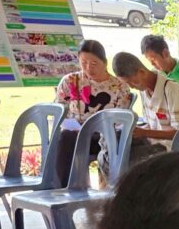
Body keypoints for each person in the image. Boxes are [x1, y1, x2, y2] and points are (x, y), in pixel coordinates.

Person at [53, 39, 131, 186]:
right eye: (84, 63)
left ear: (104, 63)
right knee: (65, 137)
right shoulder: (70, 81)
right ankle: (67, 188)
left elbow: (122, 118)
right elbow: (59, 111)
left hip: (105, 136)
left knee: (114, 140)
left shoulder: (119, 86)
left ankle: (113, 188)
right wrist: (72, 125)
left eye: (94, 63)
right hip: (76, 134)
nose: (88, 68)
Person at [112, 52, 179, 164]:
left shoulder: (172, 90)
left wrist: (144, 132)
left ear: (142, 72)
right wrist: (134, 130)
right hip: (155, 143)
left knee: (130, 159)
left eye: (131, 82)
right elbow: (151, 125)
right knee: (115, 149)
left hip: (177, 148)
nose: (131, 86)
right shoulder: (144, 91)